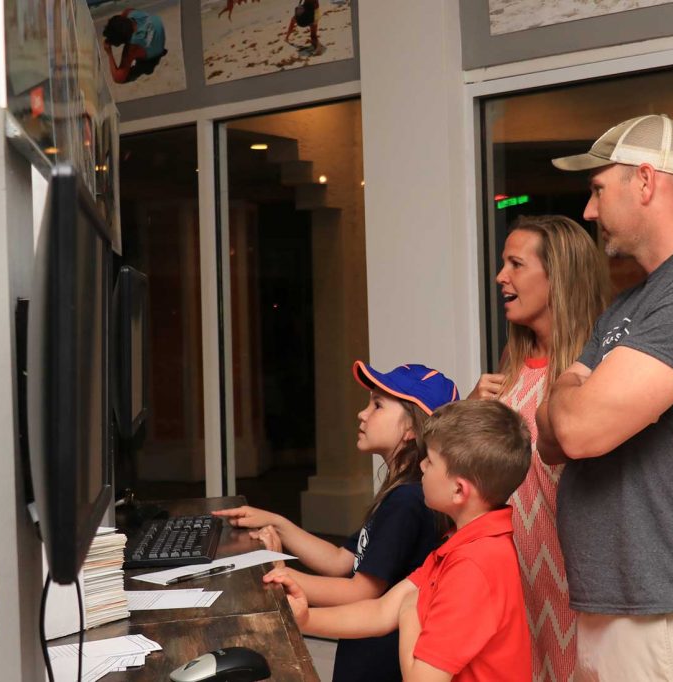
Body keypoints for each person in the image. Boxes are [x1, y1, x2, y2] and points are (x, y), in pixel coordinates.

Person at [536, 114, 673, 681]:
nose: (588, 211)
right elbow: (551, 440)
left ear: (644, 180)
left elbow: (578, 430)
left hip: (667, 621)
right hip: (617, 610)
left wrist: (571, 387)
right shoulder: (634, 302)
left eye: (597, 190)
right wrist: (570, 392)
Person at [213, 361, 459, 682]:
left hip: (379, 662)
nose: (363, 413)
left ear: (412, 429)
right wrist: (279, 523)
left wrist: (279, 573)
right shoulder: (400, 493)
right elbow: (341, 560)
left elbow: (360, 592)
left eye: (377, 405)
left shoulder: (407, 501)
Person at [267, 399, 534, 682]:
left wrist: (409, 615)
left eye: (430, 461)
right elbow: (381, 611)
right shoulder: (461, 542)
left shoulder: (474, 567)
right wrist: (304, 618)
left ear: (458, 490)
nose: (421, 465)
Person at [468, 214, 609, 682]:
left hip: (573, 582)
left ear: (559, 278)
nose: (500, 277)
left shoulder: (599, 369)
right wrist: (473, 414)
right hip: (513, 577)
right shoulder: (513, 362)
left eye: (515, 264)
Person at [101, 9, 167, 84]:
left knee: (141, 70)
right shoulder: (129, 12)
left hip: (156, 53)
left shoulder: (132, 47)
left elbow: (118, 78)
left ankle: (148, 67)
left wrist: (109, 53)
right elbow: (122, 20)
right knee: (144, 46)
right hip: (158, 26)